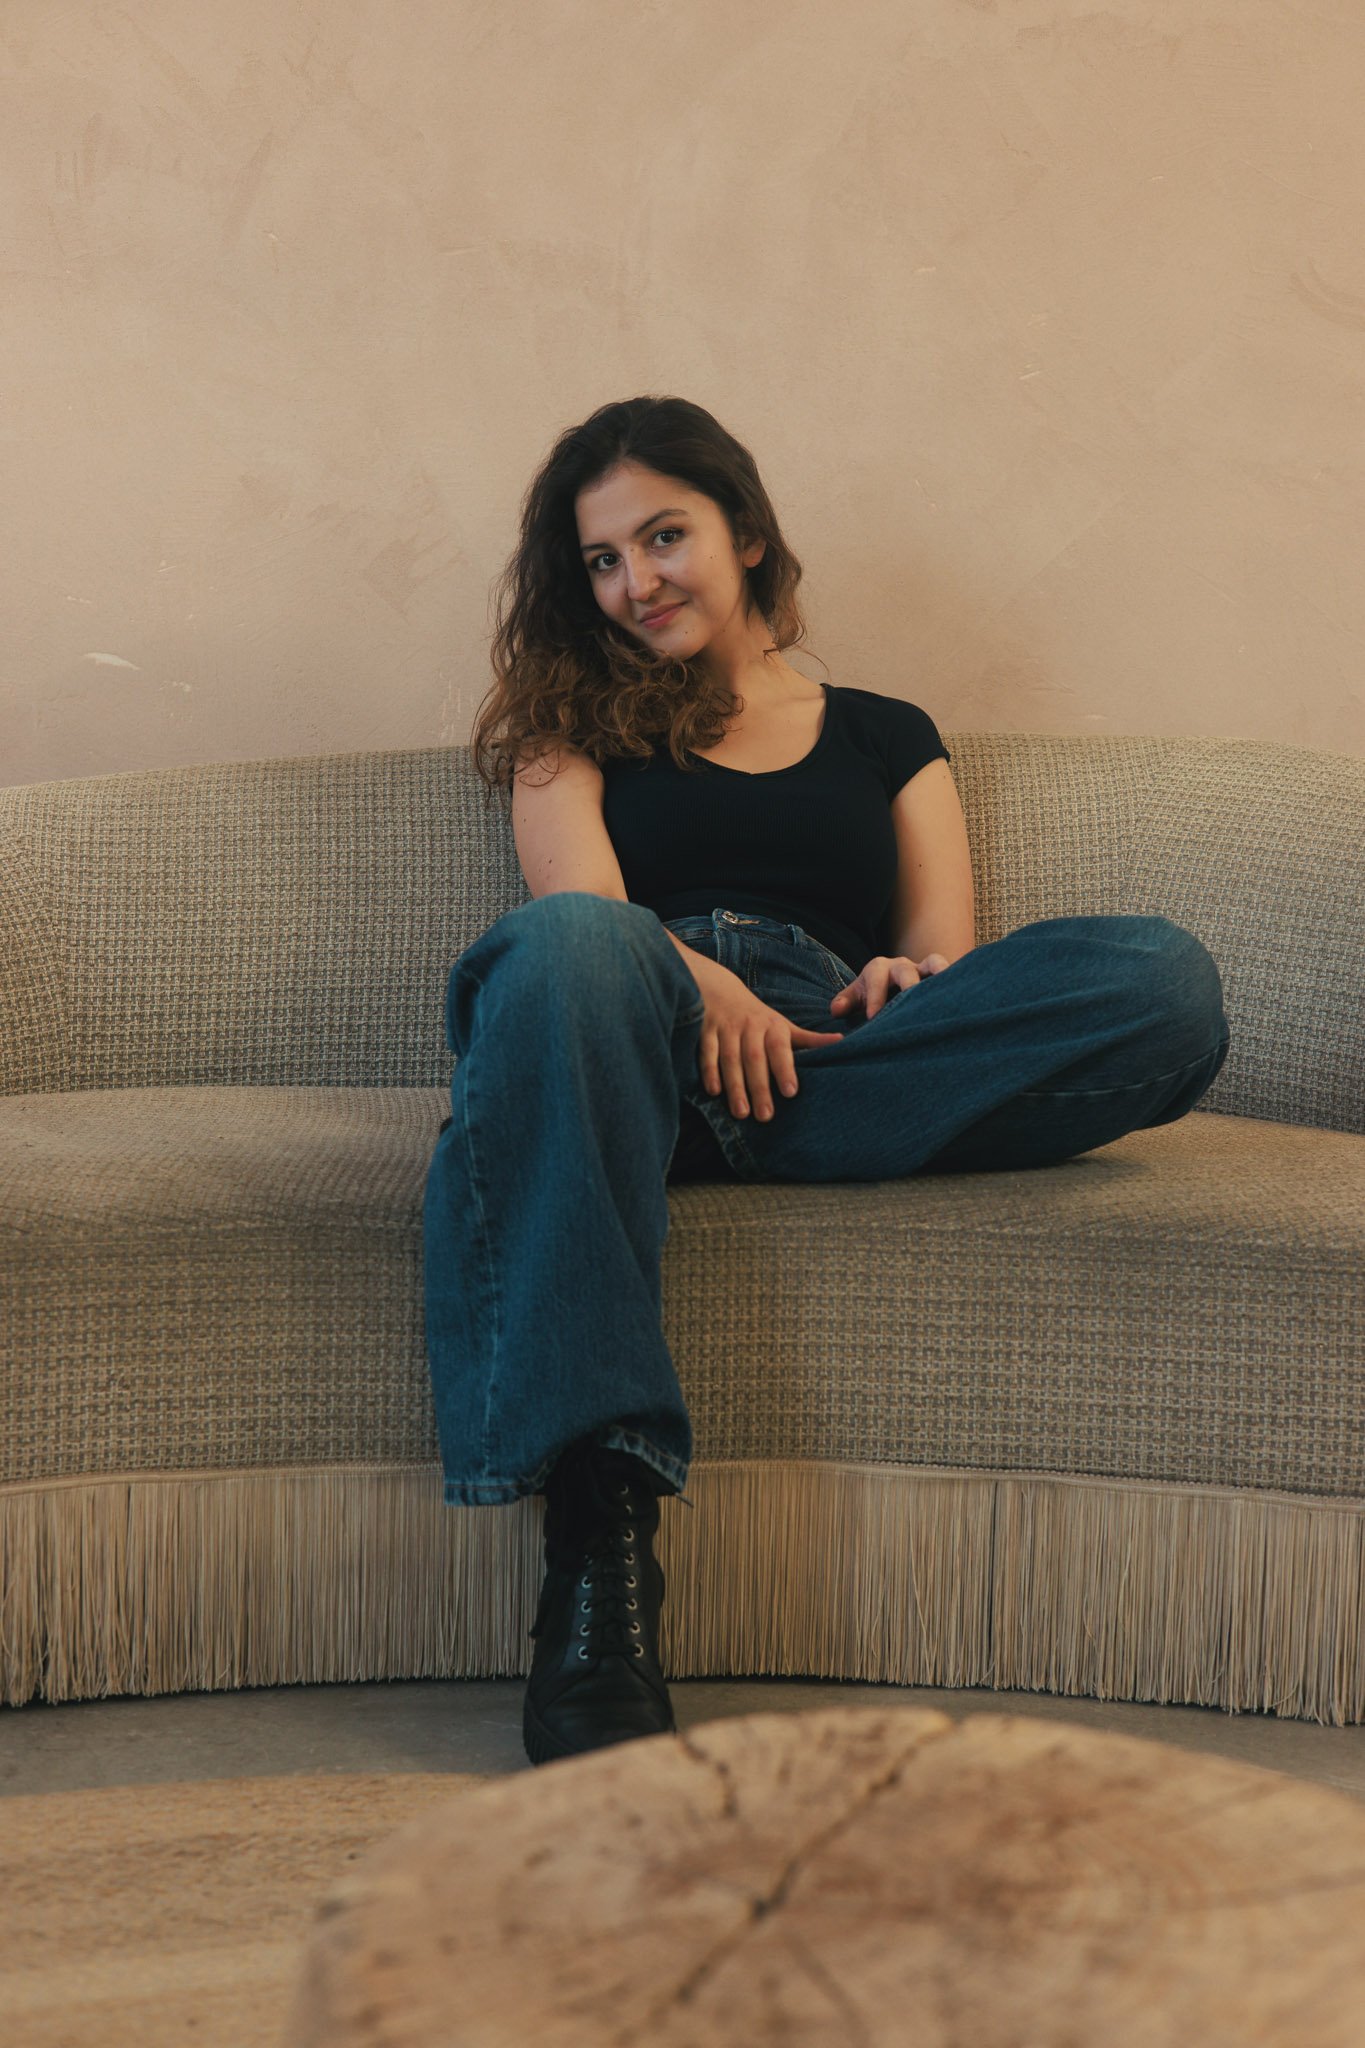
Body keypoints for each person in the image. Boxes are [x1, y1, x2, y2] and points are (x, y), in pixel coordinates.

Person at [422, 395, 1230, 1769]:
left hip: (836, 1065)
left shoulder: (884, 732)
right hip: (629, 1045)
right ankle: (600, 1557)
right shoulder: (567, 730)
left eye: (662, 535)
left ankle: (758, 1133)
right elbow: (584, 914)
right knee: (563, 953)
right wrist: (695, 977)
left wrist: (906, 979)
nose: (635, 581)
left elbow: (941, 952)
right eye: (603, 559)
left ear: (744, 531)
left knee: (1158, 976)